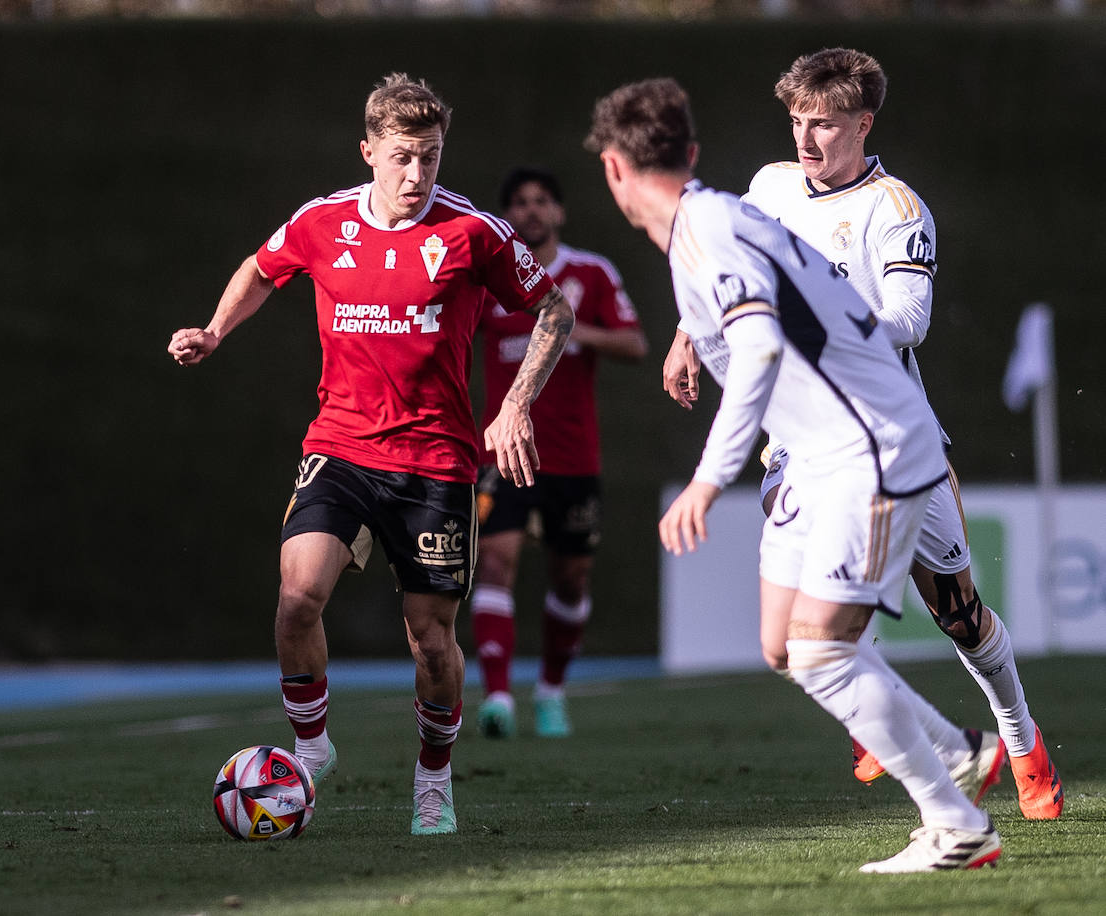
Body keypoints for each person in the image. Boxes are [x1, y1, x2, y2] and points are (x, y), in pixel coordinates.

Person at [587, 77, 1003, 873]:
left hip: (871, 450)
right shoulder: (725, 215)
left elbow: (760, 351)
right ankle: (956, 752)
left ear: (613, 170)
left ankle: (958, 818)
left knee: (820, 653)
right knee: (783, 645)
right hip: (825, 451)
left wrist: (709, 478)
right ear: (693, 155)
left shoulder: (707, 230)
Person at [167, 73, 573, 836]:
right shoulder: (322, 222)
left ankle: (433, 776)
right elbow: (261, 269)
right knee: (296, 600)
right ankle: (313, 749)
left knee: (430, 642)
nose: (417, 175)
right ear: (369, 152)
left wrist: (515, 403)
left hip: (437, 465)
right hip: (341, 449)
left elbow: (555, 306)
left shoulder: (473, 232)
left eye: (430, 157)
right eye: (402, 158)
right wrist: (216, 330)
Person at [662, 47, 1062, 820]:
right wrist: (686, 331)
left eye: (825, 125)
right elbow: (724, 269)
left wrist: (817, 322)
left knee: (959, 614)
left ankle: (1020, 737)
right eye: (797, 123)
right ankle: (872, 714)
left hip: (893, 435)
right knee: (797, 613)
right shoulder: (770, 189)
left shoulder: (896, 209)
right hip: (803, 444)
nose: (807, 141)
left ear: (863, 123)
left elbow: (911, 320)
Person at [471, 167, 647, 739]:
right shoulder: (489, 279)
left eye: (542, 200)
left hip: (573, 456)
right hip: (500, 451)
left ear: (560, 211)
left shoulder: (591, 273)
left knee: (571, 579)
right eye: (519, 202)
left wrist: (572, 330)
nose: (531, 211)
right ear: (507, 215)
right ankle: (498, 697)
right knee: (494, 562)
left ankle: (550, 692)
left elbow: (635, 343)